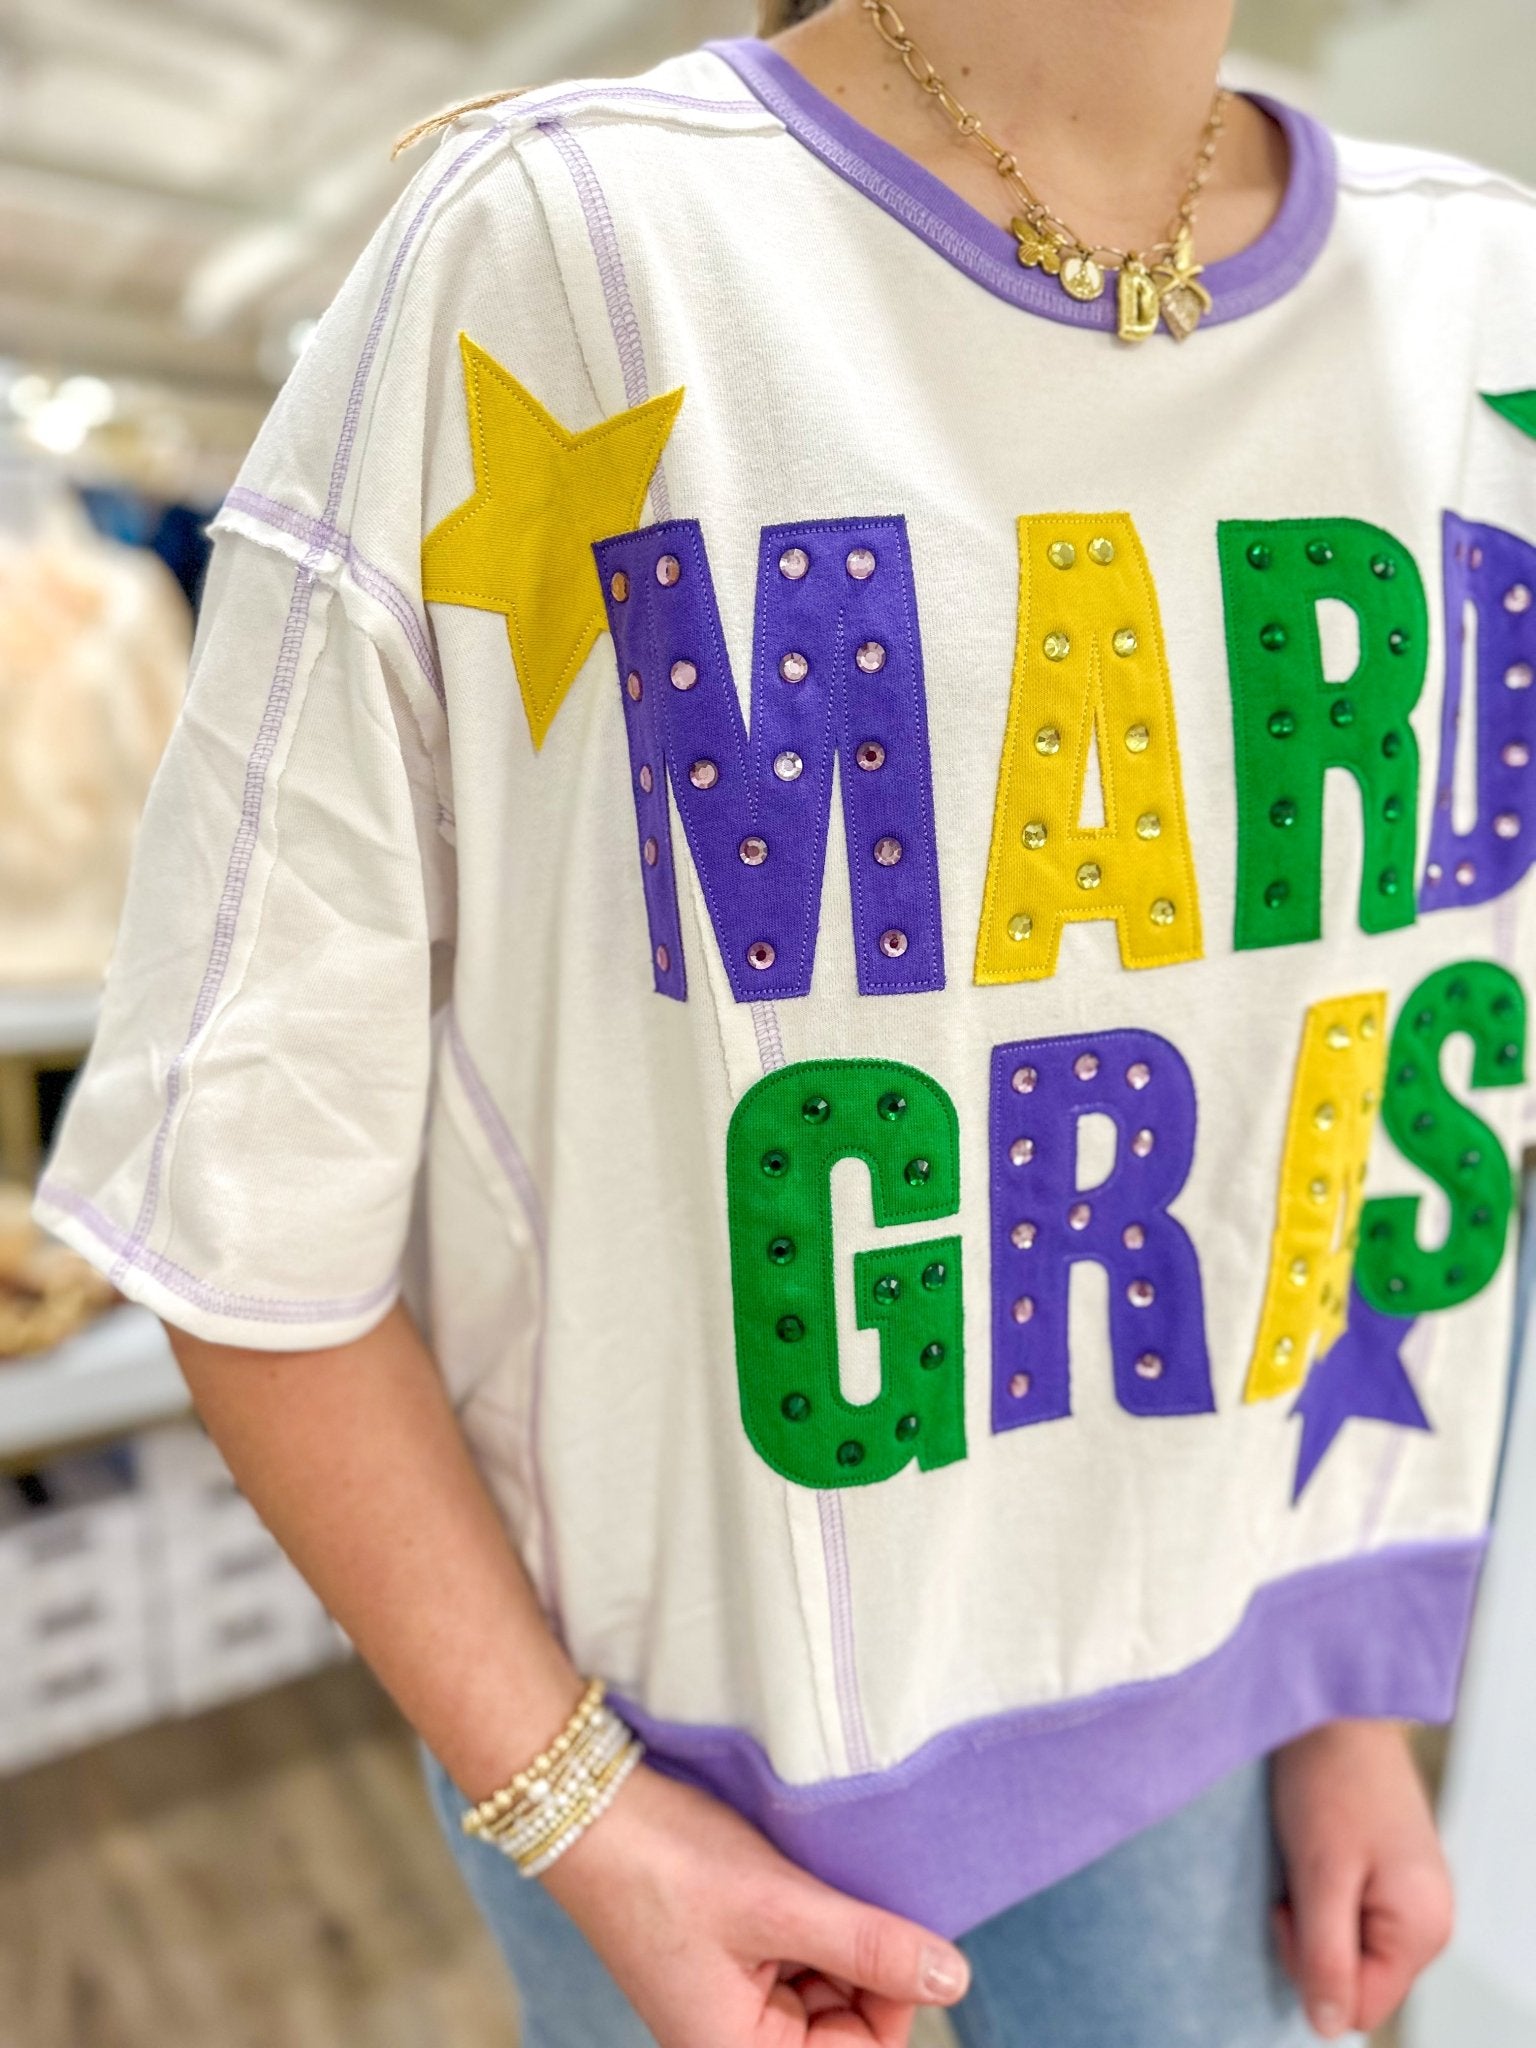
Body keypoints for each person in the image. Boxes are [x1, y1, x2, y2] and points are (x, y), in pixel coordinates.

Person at [35, 0, 1536, 2039]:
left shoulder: (1479, 301)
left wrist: (1338, 1700)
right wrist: (578, 1810)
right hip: (679, 1753)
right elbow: (236, 1188)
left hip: (1211, 1742)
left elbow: (1360, 1076)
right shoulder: (571, 253)